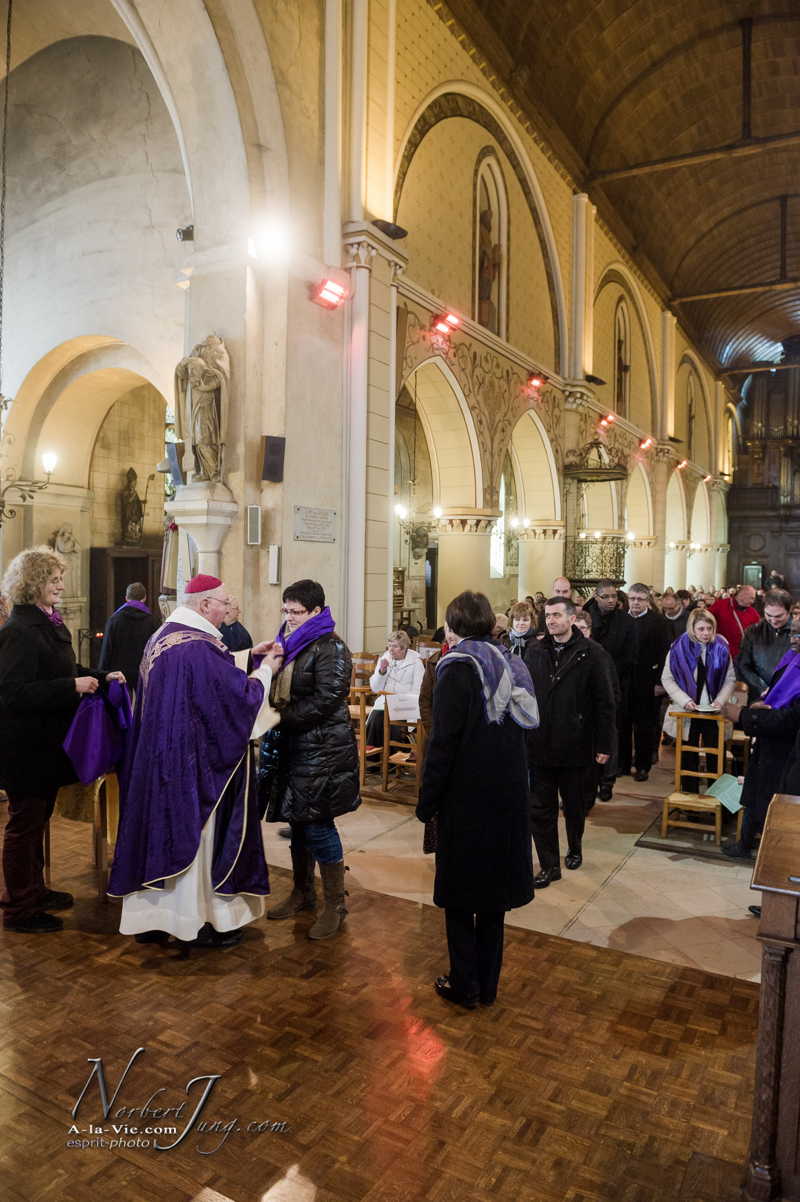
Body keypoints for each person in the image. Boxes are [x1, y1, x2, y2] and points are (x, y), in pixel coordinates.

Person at [108, 574, 280, 947]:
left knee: (160, 835)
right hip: (192, 767)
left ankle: (154, 919)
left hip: (160, 761)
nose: (228, 609)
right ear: (204, 604)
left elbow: (210, 674)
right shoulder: (196, 647)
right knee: (197, 839)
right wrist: (266, 670)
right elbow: (234, 697)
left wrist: (249, 656)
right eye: (224, 602)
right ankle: (197, 921)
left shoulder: (166, 636)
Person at [416, 590, 538, 1009]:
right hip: (507, 794)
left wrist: (427, 800)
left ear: (453, 626)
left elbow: (443, 743)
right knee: (492, 902)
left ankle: (463, 985)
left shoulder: (457, 666)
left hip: (467, 798)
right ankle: (487, 986)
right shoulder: (509, 661)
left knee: (460, 897)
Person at [0, 547, 124, 933]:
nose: (60, 585)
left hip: (45, 747)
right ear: (33, 583)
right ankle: (19, 908)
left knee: (37, 823)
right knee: (24, 827)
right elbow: (12, 693)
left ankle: (35, 891)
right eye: (53, 579)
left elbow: (66, 669)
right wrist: (72, 686)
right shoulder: (18, 632)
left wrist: (100, 676)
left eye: (60, 578)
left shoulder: (47, 624)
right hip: (24, 750)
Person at [263, 579, 360, 939]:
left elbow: (328, 698)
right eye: (286, 610)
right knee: (298, 821)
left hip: (323, 751)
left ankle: (335, 904)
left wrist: (279, 717)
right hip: (294, 748)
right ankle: (302, 893)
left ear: (316, 611)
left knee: (318, 824)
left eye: (297, 611)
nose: (289, 617)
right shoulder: (289, 642)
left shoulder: (331, 647)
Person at [525, 597, 617, 884]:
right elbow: (525, 694)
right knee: (540, 809)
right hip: (540, 743)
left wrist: (604, 745)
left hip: (576, 744)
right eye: (547, 616)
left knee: (574, 806)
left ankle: (575, 846)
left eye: (556, 615)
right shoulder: (535, 650)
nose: (550, 620)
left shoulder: (592, 653)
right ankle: (549, 865)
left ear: (571, 618)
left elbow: (605, 703)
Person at [722, 618, 800, 859]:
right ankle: (744, 843)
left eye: (798, 635)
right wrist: (760, 705)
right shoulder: (792, 659)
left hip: (787, 748)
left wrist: (744, 716)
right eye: (792, 633)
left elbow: (790, 718)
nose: (793, 639)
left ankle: (770, 855)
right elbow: (775, 695)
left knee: (773, 802)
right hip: (769, 739)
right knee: (755, 793)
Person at [661, 608, 736, 792]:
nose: (706, 633)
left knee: (715, 754)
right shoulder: (678, 648)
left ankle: (717, 796)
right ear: (692, 628)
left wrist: (719, 701)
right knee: (688, 753)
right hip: (687, 709)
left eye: (710, 628)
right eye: (701, 629)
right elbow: (667, 678)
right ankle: (689, 794)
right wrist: (684, 700)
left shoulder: (721, 647)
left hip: (713, 710)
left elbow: (730, 679)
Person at [583, 580, 633, 800]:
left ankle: (607, 781)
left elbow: (631, 655)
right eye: (606, 597)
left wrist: (611, 675)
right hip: (586, 686)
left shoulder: (625, 621)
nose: (611, 600)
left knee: (610, 733)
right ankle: (589, 782)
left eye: (614, 596)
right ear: (596, 597)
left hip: (615, 682)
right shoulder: (585, 616)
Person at [619, 584, 672, 783]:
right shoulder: (621, 619)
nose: (635, 603)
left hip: (648, 682)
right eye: (632, 598)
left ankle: (642, 765)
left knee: (645, 726)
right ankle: (623, 764)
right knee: (622, 724)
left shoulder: (659, 622)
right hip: (624, 682)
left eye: (640, 599)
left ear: (647, 600)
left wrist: (660, 683)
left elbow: (666, 654)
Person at [365, 630, 425, 748]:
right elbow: (375, 688)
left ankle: (394, 755)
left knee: (391, 722)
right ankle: (374, 755)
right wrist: (382, 672)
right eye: (389, 645)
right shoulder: (385, 659)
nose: (391, 650)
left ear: (404, 648)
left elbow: (419, 690)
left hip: (406, 704)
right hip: (385, 703)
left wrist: (401, 701)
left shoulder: (416, 662)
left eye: (395, 646)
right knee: (376, 718)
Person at [97, 582, 160, 689]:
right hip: (143, 673)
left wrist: (101, 674)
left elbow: (107, 649)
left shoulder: (114, 620)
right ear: (144, 598)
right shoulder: (153, 621)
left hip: (119, 674)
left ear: (126, 598)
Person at [737, 590, 793, 703]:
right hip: (759, 696)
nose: (773, 621)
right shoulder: (753, 631)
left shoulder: (797, 632)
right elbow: (743, 665)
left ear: (789, 611)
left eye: (779, 616)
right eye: (769, 615)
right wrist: (762, 687)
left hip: (791, 696)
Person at [709, 585, 760, 661]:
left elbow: (759, 632)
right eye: (751, 598)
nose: (753, 601)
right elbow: (705, 619)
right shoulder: (720, 605)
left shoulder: (753, 612)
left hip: (744, 656)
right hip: (723, 654)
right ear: (742, 595)